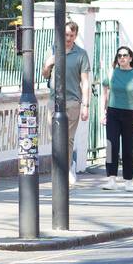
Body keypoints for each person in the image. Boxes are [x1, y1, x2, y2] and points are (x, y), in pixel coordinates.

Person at [41, 20, 92, 186]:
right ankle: (61, 167)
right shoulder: (53, 49)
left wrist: (85, 105)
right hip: (54, 100)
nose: (68, 38)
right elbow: (44, 74)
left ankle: (66, 168)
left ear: (75, 35)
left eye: (71, 35)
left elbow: (85, 81)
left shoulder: (81, 54)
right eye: (65, 34)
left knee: (68, 139)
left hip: (72, 101)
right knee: (55, 138)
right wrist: (48, 64)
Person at [101, 46, 133, 191]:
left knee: (129, 148)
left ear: (130, 58)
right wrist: (103, 112)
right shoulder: (111, 73)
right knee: (111, 146)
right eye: (119, 56)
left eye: (125, 55)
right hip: (113, 112)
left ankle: (128, 180)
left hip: (131, 114)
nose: (122, 58)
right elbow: (105, 93)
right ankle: (111, 179)